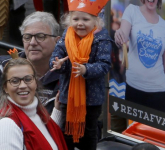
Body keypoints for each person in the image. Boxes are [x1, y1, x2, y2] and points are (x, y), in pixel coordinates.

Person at [0, 11, 60, 150]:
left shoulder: (67, 80)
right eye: (27, 37)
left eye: (40, 36)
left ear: (57, 41)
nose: (33, 42)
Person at [50, 0, 112, 149]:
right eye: (76, 19)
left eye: (86, 19)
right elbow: (56, 56)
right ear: (69, 20)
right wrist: (58, 64)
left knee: (89, 132)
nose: (80, 24)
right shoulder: (67, 36)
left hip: (92, 98)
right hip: (68, 96)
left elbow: (104, 65)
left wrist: (86, 70)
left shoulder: (102, 38)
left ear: (96, 20)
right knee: (66, 131)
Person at [0, 57, 67, 150]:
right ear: (5, 87)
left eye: (28, 79)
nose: (22, 85)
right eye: (15, 81)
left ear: (36, 83)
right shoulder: (7, 127)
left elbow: (45, 135)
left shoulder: (40, 116)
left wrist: (57, 110)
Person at [114, 0, 165, 112]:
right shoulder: (132, 10)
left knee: (154, 130)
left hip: (159, 91)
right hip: (134, 87)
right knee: (132, 128)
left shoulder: (163, 26)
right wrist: (118, 36)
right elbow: (123, 36)